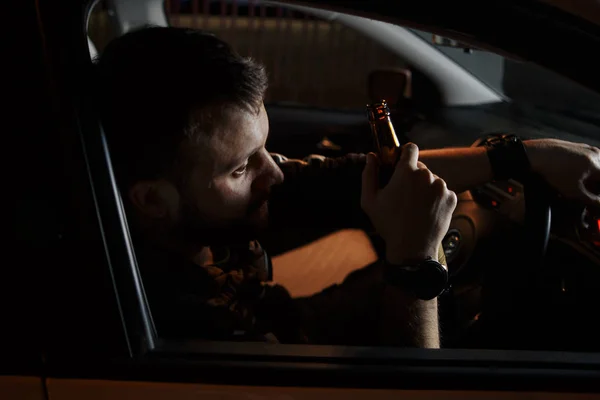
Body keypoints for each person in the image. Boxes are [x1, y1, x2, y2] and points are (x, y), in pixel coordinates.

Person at [95, 26, 600, 348]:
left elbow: (341, 178)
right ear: (151, 199)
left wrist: (521, 156)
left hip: (286, 315)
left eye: (266, 148)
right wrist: (414, 263)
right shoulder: (174, 328)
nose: (275, 173)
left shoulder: (193, 218)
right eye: (240, 168)